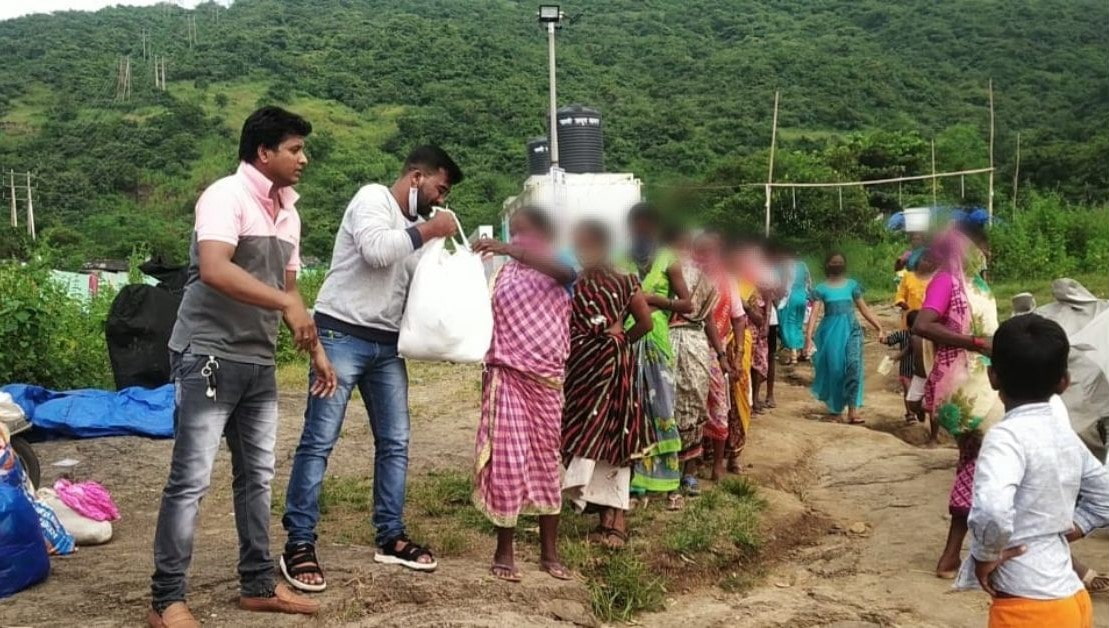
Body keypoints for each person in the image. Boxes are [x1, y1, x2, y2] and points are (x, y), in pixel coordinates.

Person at [151, 106, 331, 626]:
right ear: (263, 152)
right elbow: (214, 269)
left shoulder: (289, 212)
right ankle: (166, 601)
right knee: (190, 481)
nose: (304, 158)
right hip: (207, 354)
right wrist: (285, 305)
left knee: (257, 478)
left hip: (258, 359)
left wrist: (314, 346)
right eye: (295, 149)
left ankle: (256, 584)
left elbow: (290, 291)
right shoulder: (224, 196)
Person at [280, 146, 463, 591]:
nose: (441, 200)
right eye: (440, 189)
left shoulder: (418, 226)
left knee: (396, 442)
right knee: (320, 439)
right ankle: (299, 542)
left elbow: (422, 281)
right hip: (341, 334)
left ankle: (391, 536)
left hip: (386, 346)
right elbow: (378, 251)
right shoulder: (372, 199)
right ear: (416, 177)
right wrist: (430, 230)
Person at [956, 314, 1109, 628]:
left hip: (1029, 608)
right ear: (1064, 382)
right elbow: (1104, 494)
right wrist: (1066, 527)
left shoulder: (1005, 438)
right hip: (1071, 600)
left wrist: (986, 554)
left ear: (992, 377)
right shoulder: (1063, 431)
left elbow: (994, 510)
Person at [469, 206, 577, 582]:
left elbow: (567, 274)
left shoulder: (558, 262)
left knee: (546, 461)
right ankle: (505, 550)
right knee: (508, 461)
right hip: (508, 376)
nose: (516, 240)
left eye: (523, 233)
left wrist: (510, 249)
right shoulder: (502, 274)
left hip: (546, 380)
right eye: (512, 234)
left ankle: (550, 552)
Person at [912, 220, 1002, 579]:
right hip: (965, 388)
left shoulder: (978, 287)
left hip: (984, 382)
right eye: (981, 246)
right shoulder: (947, 282)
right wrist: (977, 343)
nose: (986, 254)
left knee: (977, 466)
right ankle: (987, 557)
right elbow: (922, 325)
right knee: (996, 463)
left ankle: (953, 557)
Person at [562, 220, 654, 550]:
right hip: (580, 373)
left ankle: (618, 519)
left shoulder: (625, 280)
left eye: (589, 245)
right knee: (583, 439)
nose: (582, 252)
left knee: (616, 440)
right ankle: (601, 516)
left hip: (614, 372)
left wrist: (617, 344)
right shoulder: (573, 282)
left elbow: (644, 323)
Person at [625, 203, 693, 509]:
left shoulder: (668, 259)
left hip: (657, 341)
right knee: (632, 411)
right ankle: (635, 484)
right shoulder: (619, 259)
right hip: (627, 340)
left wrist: (654, 300)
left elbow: (688, 304)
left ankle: (669, 485)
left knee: (663, 410)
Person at [668, 231, 729, 498]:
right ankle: (666, 472)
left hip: (694, 344)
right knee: (666, 406)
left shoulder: (702, 278)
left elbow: (709, 321)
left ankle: (689, 471)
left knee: (693, 404)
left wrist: (722, 354)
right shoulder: (662, 269)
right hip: (665, 340)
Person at [805, 252, 883, 424]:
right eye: (833, 262)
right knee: (836, 370)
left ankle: (853, 411)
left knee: (854, 366)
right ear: (827, 265)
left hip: (852, 330)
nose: (837, 264)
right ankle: (836, 408)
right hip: (830, 334)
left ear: (844, 264)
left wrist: (879, 327)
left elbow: (864, 309)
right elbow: (815, 313)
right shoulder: (821, 289)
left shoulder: (852, 285)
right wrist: (808, 337)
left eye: (840, 262)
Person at [696, 232, 746, 481]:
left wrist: (736, 354)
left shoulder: (728, 280)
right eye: (703, 251)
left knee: (720, 407)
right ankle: (693, 463)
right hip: (693, 347)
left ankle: (719, 462)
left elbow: (738, 318)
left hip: (719, 352)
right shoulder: (690, 278)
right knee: (692, 408)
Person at [724, 238, 755, 473]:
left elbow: (747, 319)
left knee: (739, 398)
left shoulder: (746, 284)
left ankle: (734, 456)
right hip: (714, 344)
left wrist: (738, 353)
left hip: (737, 345)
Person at [882, 310, 921, 424]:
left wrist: (883, 339)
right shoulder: (908, 335)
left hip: (913, 371)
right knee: (909, 392)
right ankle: (911, 414)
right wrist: (884, 339)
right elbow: (889, 340)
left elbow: (888, 340)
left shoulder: (905, 334)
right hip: (910, 371)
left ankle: (914, 412)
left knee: (911, 392)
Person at [779, 246, 811, 365]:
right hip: (803, 297)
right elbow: (809, 281)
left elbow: (782, 283)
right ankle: (804, 352)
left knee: (788, 324)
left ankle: (793, 354)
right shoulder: (803, 265)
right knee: (798, 324)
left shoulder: (786, 265)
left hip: (790, 298)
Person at [895, 247, 935, 328]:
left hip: (926, 320)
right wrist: (901, 302)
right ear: (918, 261)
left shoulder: (935, 279)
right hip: (909, 317)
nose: (926, 263)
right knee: (908, 337)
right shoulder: (908, 276)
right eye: (924, 260)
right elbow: (901, 294)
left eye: (930, 261)